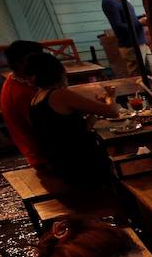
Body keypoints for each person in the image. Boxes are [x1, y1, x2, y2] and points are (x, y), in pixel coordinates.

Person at [25, 52, 119, 187]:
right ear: (57, 71)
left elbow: (74, 130)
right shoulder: (60, 95)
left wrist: (95, 111)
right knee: (124, 156)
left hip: (61, 162)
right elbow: (113, 112)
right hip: (81, 163)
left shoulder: (37, 98)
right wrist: (111, 97)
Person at [0, 39, 45, 168]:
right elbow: (47, 129)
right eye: (40, 58)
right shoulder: (22, 92)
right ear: (24, 63)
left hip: (37, 151)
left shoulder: (13, 79)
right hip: (44, 157)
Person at [100, 0, 152, 77]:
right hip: (131, 46)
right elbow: (118, 26)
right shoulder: (109, 2)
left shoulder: (120, 0)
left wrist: (140, 18)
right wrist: (139, 22)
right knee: (138, 77)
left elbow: (128, 19)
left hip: (141, 43)